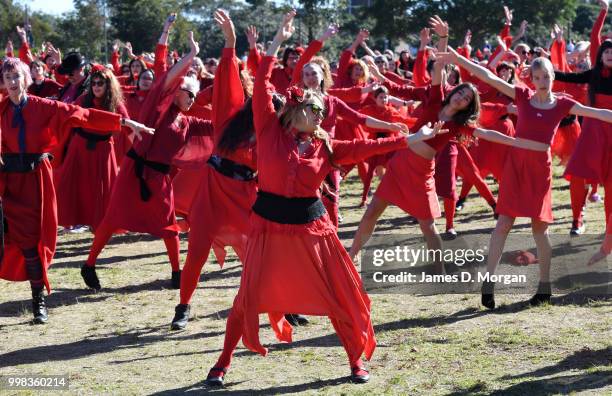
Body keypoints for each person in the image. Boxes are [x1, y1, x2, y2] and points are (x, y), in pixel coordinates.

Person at [204, 10, 447, 386]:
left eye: (321, 113)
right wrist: (275, 41)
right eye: (315, 111)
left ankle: (355, 362)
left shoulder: (327, 146)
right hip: (268, 226)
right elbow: (264, 75)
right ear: (296, 111)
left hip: (312, 228)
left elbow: (369, 146)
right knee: (246, 298)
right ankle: (221, 364)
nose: (321, 118)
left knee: (339, 295)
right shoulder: (269, 129)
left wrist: (416, 137)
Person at [443, 47, 612, 308]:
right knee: (503, 225)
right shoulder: (522, 95)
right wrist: (459, 59)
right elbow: (489, 77)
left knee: (539, 231)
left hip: (539, 169)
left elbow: (601, 114)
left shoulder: (564, 104)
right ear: (531, 79)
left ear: (553, 77)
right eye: (538, 77)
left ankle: (544, 288)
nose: (543, 82)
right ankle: (489, 284)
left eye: (547, 76)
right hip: (516, 165)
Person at [0, 57, 152, 324]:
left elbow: (82, 115)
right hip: (7, 182)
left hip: (34, 182)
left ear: (25, 80)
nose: (12, 83)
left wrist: (125, 123)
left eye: (17, 77)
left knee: (30, 243)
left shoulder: (44, 106)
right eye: (8, 78)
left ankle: (38, 301)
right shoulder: (0, 110)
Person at [81, 31, 214, 291]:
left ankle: (177, 273)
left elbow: (217, 127)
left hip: (160, 177)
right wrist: (190, 55)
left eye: (195, 97)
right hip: (134, 169)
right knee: (112, 218)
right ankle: (89, 264)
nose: (194, 100)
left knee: (168, 225)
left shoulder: (189, 122)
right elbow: (168, 77)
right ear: (179, 92)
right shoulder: (159, 108)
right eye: (191, 95)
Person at [55, 66, 131, 231]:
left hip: (103, 150)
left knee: (103, 190)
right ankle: (76, 221)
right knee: (75, 186)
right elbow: (69, 114)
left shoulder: (115, 103)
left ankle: (100, 227)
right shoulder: (83, 99)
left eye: (100, 83)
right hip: (80, 147)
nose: (96, 86)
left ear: (108, 85)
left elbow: (128, 125)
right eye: (94, 83)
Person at [555, 40, 612, 238]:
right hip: (593, 132)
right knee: (578, 176)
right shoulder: (594, 74)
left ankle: (609, 229)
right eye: (606, 51)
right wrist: (546, 73)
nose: (609, 54)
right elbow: (569, 77)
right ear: (600, 55)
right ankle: (577, 220)